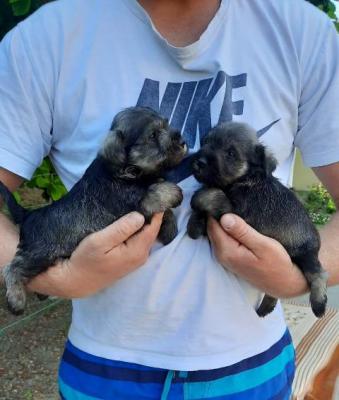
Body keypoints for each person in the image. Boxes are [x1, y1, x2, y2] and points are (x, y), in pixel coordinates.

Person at [0, 0, 339, 398]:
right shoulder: (45, 38)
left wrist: (299, 275)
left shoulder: (303, 31)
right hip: (104, 370)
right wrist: (59, 277)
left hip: (251, 369)